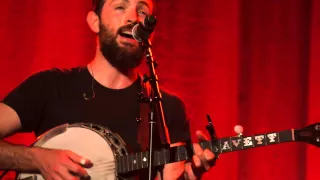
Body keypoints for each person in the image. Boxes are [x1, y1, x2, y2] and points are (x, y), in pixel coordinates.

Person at [0, 0, 216, 179]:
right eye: (120, 7)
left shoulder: (165, 107)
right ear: (95, 21)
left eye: (142, 11)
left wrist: (188, 176)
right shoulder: (48, 86)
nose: (133, 18)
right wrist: (38, 158)